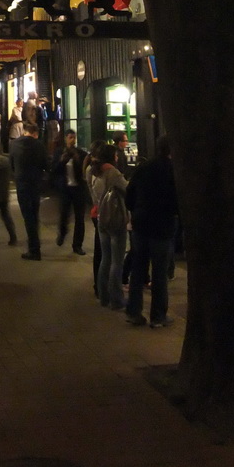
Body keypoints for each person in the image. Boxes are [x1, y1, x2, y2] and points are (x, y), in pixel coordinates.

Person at [124, 135, 179, 328]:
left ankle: (134, 312)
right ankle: (158, 316)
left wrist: (135, 210)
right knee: (159, 272)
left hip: (141, 223)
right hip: (162, 226)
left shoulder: (144, 168)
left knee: (138, 269)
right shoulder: (173, 171)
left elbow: (129, 194)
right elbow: (176, 200)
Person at [90, 143, 128, 309]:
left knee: (105, 259)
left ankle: (103, 296)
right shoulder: (112, 172)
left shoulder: (93, 171)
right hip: (114, 219)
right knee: (117, 261)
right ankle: (116, 299)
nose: (117, 157)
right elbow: (127, 189)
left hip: (101, 218)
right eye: (116, 155)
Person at [10, 123, 47, 260]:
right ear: (35, 133)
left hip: (22, 184)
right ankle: (35, 243)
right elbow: (45, 165)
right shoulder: (39, 145)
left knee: (28, 216)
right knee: (34, 214)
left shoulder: (14, 144)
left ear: (25, 131)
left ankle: (34, 248)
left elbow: (11, 165)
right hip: (36, 184)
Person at [51, 129, 88, 255]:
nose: (73, 140)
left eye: (74, 137)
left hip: (78, 188)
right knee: (64, 214)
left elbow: (84, 171)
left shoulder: (80, 153)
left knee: (80, 217)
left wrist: (77, 159)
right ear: (66, 138)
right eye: (70, 137)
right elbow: (54, 170)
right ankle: (62, 233)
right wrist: (63, 160)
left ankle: (77, 245)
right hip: (65, 188)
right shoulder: (59, 152)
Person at [84, 143, 106, 294]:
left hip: (96, 211)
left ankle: (99, 285)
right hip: (102, 212)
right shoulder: (100, 172)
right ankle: (101, 286)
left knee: (100, 250)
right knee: (103, 251)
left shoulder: (90, 170)